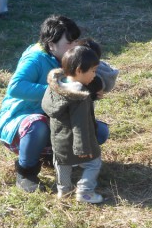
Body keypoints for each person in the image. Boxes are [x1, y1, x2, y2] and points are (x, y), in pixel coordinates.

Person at [0, 15, 81, 192]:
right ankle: (26, 172)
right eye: (69, 43)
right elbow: (16, 87)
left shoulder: (69, 57)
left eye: (75, 41)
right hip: (22, 118)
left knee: (99, 131)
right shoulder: (35, 58)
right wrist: (57, 88)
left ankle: (54, 158)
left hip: (54, 116)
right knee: (37, 125)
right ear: (51, 45)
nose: (74, 47)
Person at [42, 44, 105, 203]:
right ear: (78, 70)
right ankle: (85, 192)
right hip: (77, 141)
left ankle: (64, 191)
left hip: (59, 140)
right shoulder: (79, 96)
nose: (94, 75)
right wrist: (82, 148)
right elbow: (80, 124)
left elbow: (45, 106)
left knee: (62, 165)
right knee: (93, 163)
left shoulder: (55, 86)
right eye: (93, 70)